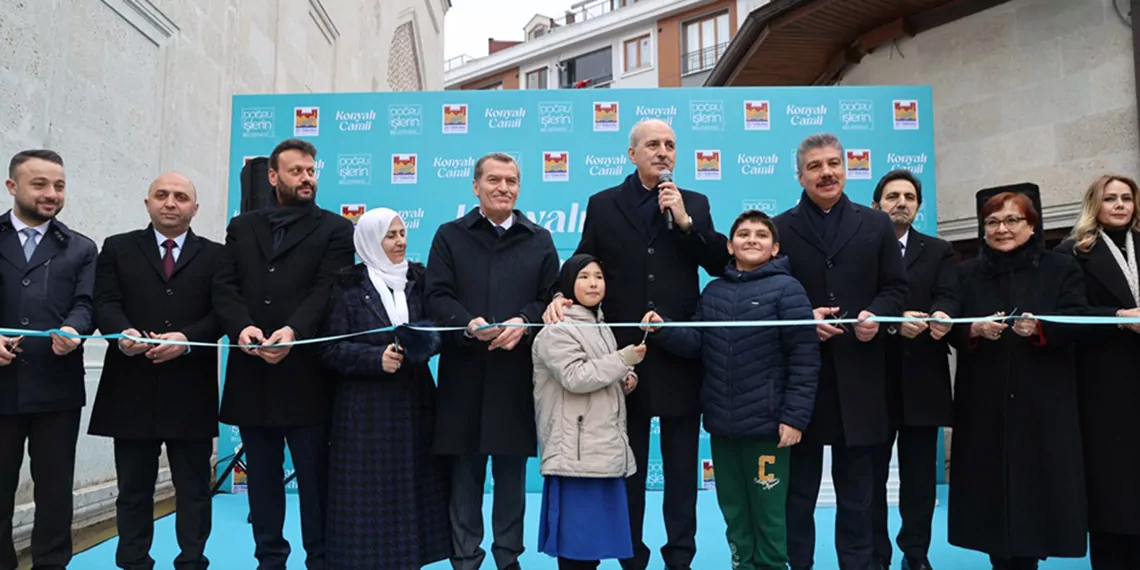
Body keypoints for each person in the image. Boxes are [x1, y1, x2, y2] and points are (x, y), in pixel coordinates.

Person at [543, 118, 730, 570]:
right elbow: (584, 259)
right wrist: (557, 293)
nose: (662, 151)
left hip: (681, 352)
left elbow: (719, 262)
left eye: (669, 144)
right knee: (629, 466)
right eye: (652, 144)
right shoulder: (604, 204)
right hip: (624, 358)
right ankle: (632, 556)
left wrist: (685, 222)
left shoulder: (694, 204)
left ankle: (680, 556)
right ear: (633, 154)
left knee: (683, 470)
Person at [642, 210, 820, 570]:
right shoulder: (715, 291)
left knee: (769, 517)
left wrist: (794, 417)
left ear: (775, 248)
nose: (752, 240)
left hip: (768, 431)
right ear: (729, 244)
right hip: (723, 429)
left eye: (761, 235)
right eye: (743, 234)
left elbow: (805, 357)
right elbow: (697, 342)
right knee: (735, 515)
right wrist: (665, 329)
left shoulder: (789, 290)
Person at [214, 138, 355, 570]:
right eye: (296, 171)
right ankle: (269, 559)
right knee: (261, 477)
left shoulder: (336, 228)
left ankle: (322, 559)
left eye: (311, 170)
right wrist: (242, 328)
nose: (307, 178)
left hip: (307, 375)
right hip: (252, 369)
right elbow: (225, 285)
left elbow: (327, 290)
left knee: (316, 479)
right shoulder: (243, 227)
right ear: (274, 177)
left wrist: (293, 331)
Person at [772, 133, 908, 570]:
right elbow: (768, 293)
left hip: (862, 377)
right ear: (800, 175)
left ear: (846, 169)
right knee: (797, 496)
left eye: (834, 163)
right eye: (815, 166)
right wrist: (802, 318)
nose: (826, 173)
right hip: (801, 384)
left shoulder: (875, 224)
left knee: (859, 496)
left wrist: (876, 315)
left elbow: (896, 288)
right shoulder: (780, 227)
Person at [425, 152, 559, 570]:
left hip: (515, 376)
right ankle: (465, 559)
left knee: (512, 480)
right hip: (463, 375)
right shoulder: (449, 236)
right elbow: (436, 295)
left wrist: (526, 321)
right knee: (463, 478)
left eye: (512, 181)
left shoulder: (539, 238)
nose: (504, 188)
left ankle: (508, 559)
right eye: (494, 180)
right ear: (475, 186)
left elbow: (551, 297)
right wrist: (467, 324)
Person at [88, 172, 227, 570]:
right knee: (133, 490)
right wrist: (121, 332)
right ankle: (132, 562)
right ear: (147, 202)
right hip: (130, 385)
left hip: (191, 388)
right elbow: (104, 301)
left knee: (194, 490)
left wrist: (186, 339)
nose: (171, 202)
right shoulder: (117, 248)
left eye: (181, 197)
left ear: (194, 209)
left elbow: (222, 313)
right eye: (162, 195)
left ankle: (193, 561)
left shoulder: (217, 256)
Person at [949, 191, 1087, 570]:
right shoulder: (964, 273)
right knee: (990, 500)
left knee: (1035, 498)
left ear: (1031, 226)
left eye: (1012, 220)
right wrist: (973, 330)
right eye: (992, 222)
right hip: (984, 402)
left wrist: (1042, 328)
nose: (1002, 229)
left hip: (1042, 402)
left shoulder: (1061, 268)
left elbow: (1079, 319)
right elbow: (949, 326)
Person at [319, 207, 451, 569]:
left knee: (412, 494)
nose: (400, 242)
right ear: (369, 240)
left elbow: (438, 331)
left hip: (414, 403)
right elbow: (329, 348)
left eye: (402, 233)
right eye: (390, 235)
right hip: (364, 412)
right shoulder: (347, 286)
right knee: (367, 501)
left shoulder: (419, 280)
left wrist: (420, 347)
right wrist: (374, 359)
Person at [0, 149, 97, 570]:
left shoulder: (80, 248)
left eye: (58, 185)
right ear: (12, 187)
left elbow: (87, 303)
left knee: (55, 495)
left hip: (56, 389)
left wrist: (75, 330)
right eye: (39, 184)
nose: (51, 194)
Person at [869, 170, 958, 570]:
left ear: (918, 206)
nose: (901, 202)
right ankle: (875, 555)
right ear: (877, 204)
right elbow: (857, 302)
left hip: (925, 380)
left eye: (908, 196)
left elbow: (950, 294)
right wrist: (892, 322)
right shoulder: (861, 248)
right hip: (873, 380)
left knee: (920, 481)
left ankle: (916, 555)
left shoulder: (939, 250)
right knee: (868, 481)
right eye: (892, 196)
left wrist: (943, 314)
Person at [532, 254, 642, 570]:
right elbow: (576, 377)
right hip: (575, 456)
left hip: (601, 451)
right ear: (567, 284)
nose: (593, 283)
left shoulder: (602, 325)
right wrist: (624, 360)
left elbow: (601, 372)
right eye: (583, 277)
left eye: (598, 277)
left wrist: (625, 378)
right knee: (576, 548)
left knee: (591, 547)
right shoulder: (557, 329)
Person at [1056, 175, 1140, 570]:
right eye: (1111, 198)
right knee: (1111, 487)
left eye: (1127, 198)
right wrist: (1120, 318)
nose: (1121, 205)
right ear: (1095, 204)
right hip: (1103, 384)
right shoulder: (1074, 252)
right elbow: (1066, 314)